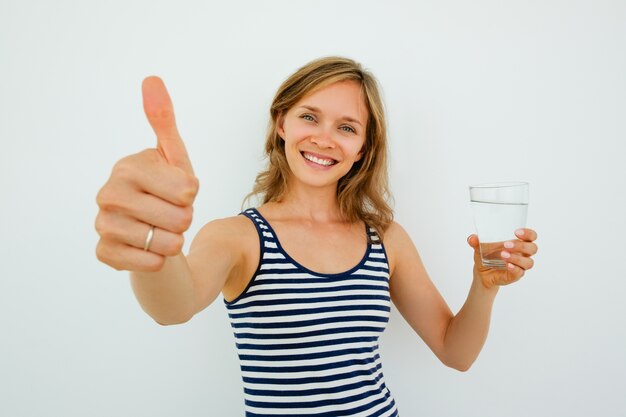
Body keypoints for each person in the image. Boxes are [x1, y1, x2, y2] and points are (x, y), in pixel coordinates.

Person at [95, 56, 539, 416]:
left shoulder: (386, 239)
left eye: (347, 127)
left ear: (362, 148)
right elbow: (172, 308)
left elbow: (454, 353)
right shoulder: (239, 237)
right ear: (282, 123)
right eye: (310, 117)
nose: (326, 138)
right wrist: (156, 238)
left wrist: (484, 287)